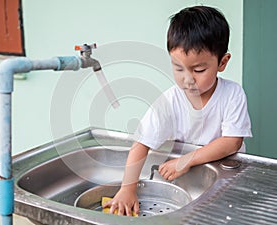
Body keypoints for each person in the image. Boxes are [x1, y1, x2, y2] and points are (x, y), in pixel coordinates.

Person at [103, 5, 252, 216]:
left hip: (226, 179)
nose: (187, 79)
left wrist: (186, 160)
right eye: (178, 68)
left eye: (198, 70)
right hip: (187, 180)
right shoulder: (170, 100)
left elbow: (232, 142)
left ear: (223, 62)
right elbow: (141, 144)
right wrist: (127, 188)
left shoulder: (233, 94)